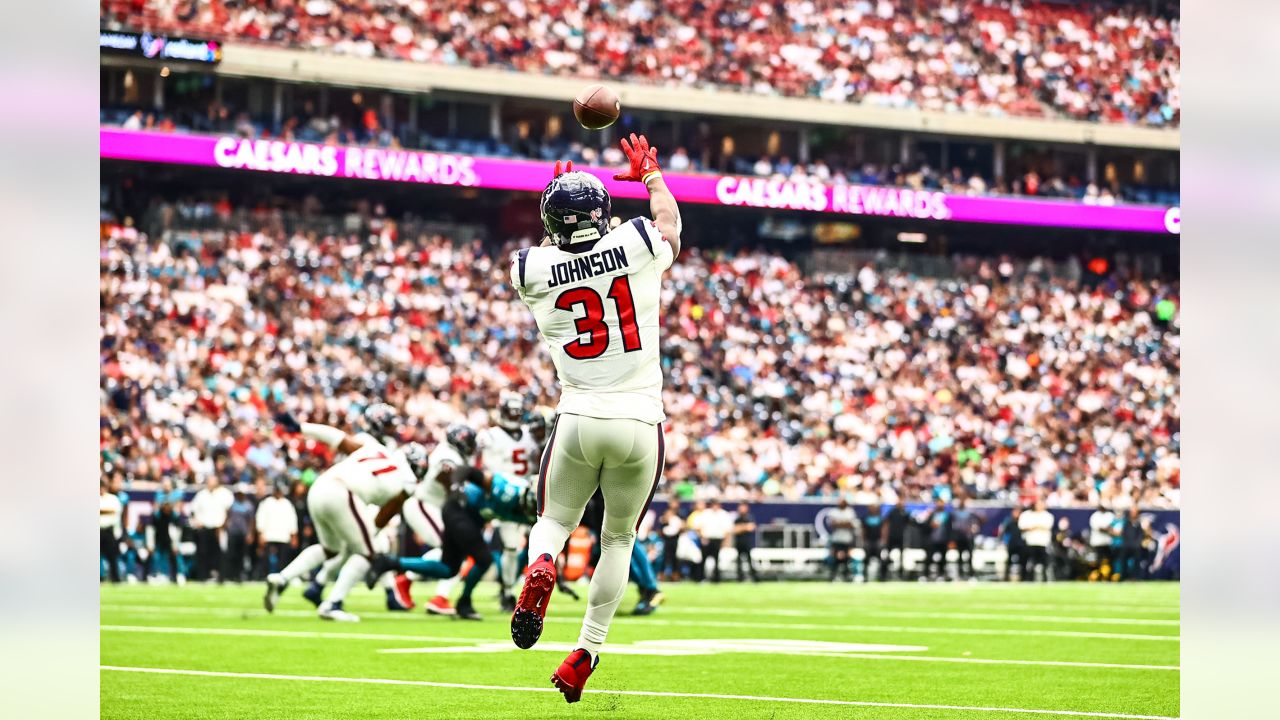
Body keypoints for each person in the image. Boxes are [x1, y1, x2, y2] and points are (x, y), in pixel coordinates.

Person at [507, 135, 681, 703]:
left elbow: (554, 250)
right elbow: (670, 228)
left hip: (578, 415)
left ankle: (540, 564)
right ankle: (587, 649)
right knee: (619, 537)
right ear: (604, 216)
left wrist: (556, 200)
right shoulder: (634, 241)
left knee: (555, 522)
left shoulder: (530, 267)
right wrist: (651, 176)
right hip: (639, 420)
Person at [263, 407, 428, 622]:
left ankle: (282, 578)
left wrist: (301, 428)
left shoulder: (375, 448)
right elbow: (382, 518)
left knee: (331, 549)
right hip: (343, 493)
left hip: (321, 486)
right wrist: (368, 542)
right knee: (367, 553)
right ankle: (332, 604)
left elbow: (339, 439)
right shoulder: (407, 483)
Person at [395, 423, 477, 616]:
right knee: (454, 550)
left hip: (434, 507)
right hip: (424, 504)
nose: (472, 446)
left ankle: (407, 579)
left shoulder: (453, 454)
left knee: (453, 550)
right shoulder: (448, 455)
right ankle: (437, 596)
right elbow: (447, 478)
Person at [476, 392, 540, 612]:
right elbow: (486, 470)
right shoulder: (490, 436)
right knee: (511, 546)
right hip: (506, 498)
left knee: (538, 544)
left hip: (529, 496)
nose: (513, 416)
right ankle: (508, 591)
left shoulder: (529, 434)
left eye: (517, 412)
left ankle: (518, 586)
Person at [189, 476, 233, 582]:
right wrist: (196, 522)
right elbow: (193, 510)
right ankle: (203, 576)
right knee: (203, 553)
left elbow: (229, 511)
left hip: (219, 528)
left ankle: (221, 577)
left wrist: (223, 526)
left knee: (220, 553)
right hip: (204, 527)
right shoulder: (201, 495)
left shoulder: (225, 493)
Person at [255, 481, 299, 578]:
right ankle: (265, 576)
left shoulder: (287, 503)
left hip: (283, 535)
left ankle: (281, 577)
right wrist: (261, 534)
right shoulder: (266, 503)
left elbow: (292, 520)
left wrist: (293, 535)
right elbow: (260, 519)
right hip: (269, 535)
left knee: (283, 559)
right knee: (266, 557)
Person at [223, 486, 256, 582]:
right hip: (232, 532)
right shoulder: (233, 504)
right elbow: (228, 516)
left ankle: (239, 575)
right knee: (232, 554)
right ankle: (231, 575)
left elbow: (251, 521)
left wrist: (250, 533)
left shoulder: (248, 505)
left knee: (241, 555)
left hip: (243, 533)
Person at [1018, 499, 1054, 581]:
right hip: (1030, 542)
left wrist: (1034, 527)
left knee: (1045, 563)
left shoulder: (1048, 516)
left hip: (1043, 543)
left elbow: (1046, 527)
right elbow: (1023, 527)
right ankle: (1026, 579)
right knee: (1029, 563)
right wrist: (1036, 527)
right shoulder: (1026, 514)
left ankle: (1045, 580)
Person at [698, 500, 733, 583]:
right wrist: (702, 537)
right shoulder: (705, 513)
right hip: (707, 539)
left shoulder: (723, 514)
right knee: (703, 559)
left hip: (718, 539)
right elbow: (699, 527)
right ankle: (702, 578)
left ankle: (716, 579)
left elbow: (727, 530)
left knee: (716, 560)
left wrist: (726, 541)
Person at [827, 497, 857, 582]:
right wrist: (844, 523)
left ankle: (846, 575)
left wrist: (839, 523)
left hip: (847, 539)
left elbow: (851, 524)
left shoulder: (850, 512)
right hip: (836, 539)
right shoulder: (833, 512)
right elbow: (832, 524)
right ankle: (833, 575)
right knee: (835, 557)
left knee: (847, 558)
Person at [100, 481, 123, 583]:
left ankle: (115, 578)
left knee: (112, 556)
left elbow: (115, 511)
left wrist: (101, 511)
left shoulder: (112, 499)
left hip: (109, 531)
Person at [950, 496, 977, 580]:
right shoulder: (955, 514)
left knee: (970, 556)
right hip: (959, 537)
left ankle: (971, 574)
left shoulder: (969, 513)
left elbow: (974, 524)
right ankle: (960, 573)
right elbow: (954, 526)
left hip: (968, 537)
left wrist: (972, 529)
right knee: (960, 556)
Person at [924, 498, 952, 581]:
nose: (940, 505)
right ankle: (926, 575)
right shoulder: (932, 514)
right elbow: (925, 527)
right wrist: (930, 525)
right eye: (938, 503)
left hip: (943, 540)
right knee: (929, 558)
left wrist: (950, 540)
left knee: (943, 559)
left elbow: (950, 529)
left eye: (941, 503)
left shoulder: (947, 515)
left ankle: (941, 574)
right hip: (932, 540)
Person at [882, 498, 909, 580]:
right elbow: (886, 523)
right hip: (892, 536)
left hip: (900, 537)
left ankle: (901, 574)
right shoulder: (893, 512)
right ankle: (884, 573)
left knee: (901, 556)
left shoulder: (904, 513)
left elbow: (907, 523)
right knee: (887, 555)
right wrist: (885, 536)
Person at [1089, 503, 1117, 579]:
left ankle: (1110, 577)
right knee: (1098, 561)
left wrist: (1107, 529)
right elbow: (1100, 529)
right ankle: (1098, 577)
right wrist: (1107, 529)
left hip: (1108, 542)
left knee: (1110, 560)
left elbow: (1113, 527)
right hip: (1098, 542)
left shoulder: (1110, 515)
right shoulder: (1095, 516)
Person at [731, 502, 759, 582]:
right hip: (739, 542)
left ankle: (754, 577)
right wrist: (745, 527)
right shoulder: (737, 518)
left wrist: (741, 527)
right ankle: (739, 578)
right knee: (739, 561)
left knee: (750, 561)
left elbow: (752, 527)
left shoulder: (749, 517)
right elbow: (735, 530)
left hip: (747, 542)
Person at [1000, 506, 1025, 581]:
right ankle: (1006, 577)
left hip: (1020, 544)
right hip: (1012, 544)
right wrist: (1005, 542)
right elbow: (1004, 533)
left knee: (1022, 561)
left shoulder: (1022, 522)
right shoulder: (1009, 522)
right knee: (1009, 561)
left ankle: (1023, 577)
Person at [658, 506, 683, 581]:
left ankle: (675, 576)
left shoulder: (676, 520)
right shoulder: (663, 520)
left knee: (674, 558)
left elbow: (679, 529)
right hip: (666, 540)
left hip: (674, 540)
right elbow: (661, 531)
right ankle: (662, 575)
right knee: (665, 558)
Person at [860, 503, 884, 581]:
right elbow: (863, 530)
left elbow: (883, 530)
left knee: (880, 558)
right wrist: (863, 541)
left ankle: (881, 575)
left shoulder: (880, 518)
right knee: (866, 558)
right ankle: (865, 575)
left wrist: (883, 540)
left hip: (877, 541)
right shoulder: (866, 518)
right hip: (868, 541)